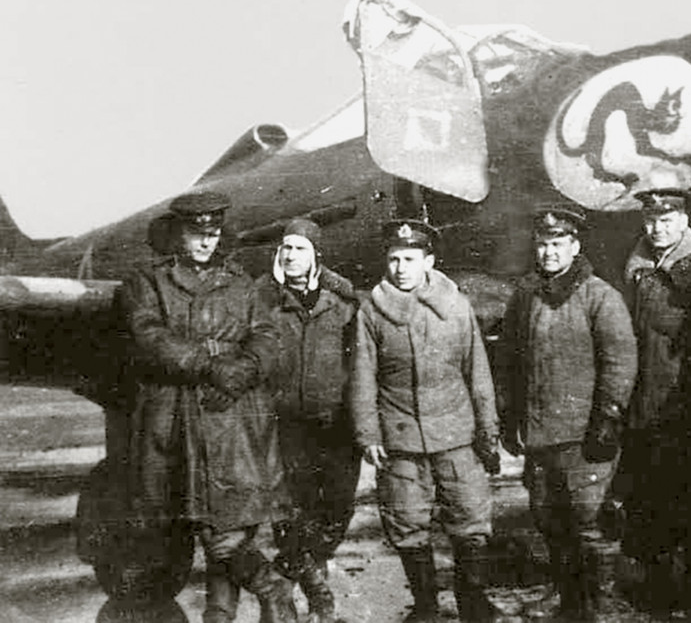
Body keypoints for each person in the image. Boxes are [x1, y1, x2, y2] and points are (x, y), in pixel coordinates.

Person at [121, 191, 297, 623]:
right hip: (173, 419)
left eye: (213, 234)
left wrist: (244, 370)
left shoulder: (241, 283)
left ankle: (227, 614)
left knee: (229, 524)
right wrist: (208, 364)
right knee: (200, 526)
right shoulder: (147, 281)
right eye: (197, 234)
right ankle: (273, 591)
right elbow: (148, 337)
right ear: (178, 233)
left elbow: (268, 336)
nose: (205, 243)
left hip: (234, 418)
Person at [349, 219, 502, 622]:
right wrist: (368, 432)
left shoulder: (456, 306)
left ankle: (473, 603)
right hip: (401, 439)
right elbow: (363, 375)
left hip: (455, 435)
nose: (401, 267)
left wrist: (488, 430)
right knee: (406, 521)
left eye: (410, 259)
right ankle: (427, 608)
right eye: (394, 259)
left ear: (428, 261)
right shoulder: (372, 312)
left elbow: (478, 372)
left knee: (470, 521)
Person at [497, 206, 638, 621]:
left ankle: (603, 606)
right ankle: (571, 601)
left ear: (575, 246)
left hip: (585, 440)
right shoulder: (525, 296)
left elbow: (620, 362)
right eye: (542, 244)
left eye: (558, 244)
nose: (548, 253)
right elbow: (508, 360)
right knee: (549, 522)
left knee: (591, 527)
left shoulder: (600, 297)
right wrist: (509, 417)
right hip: (541, 437)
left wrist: (608, 420)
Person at [255, 218, 361, 623]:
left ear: (316, 256)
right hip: (286, 425)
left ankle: (283, 576)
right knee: (293, 512)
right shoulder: (262, 300)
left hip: (335, 424)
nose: (291, 255)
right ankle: (319, 597)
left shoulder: (342, 303)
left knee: (337, 510)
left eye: (300, 249)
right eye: (286, 248)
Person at [614, 188, 691, 617]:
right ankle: (658, 586)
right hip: (644, 410)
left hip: (688, 411)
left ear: (685, 219)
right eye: (652, 219)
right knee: (646, 501)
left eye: (668, 218)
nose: (658, 228)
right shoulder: (638, 270)